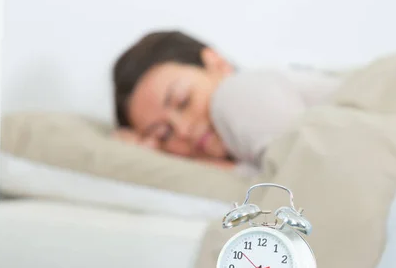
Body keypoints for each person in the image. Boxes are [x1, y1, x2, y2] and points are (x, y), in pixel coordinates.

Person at [112, 30, 341, 173]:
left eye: (183, 101)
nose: (183, 130)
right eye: (164, 134)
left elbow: (309, 181)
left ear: (217, 63)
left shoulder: (236, 93)